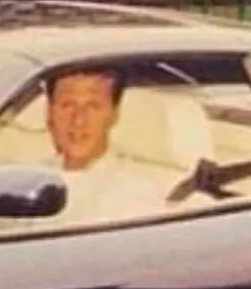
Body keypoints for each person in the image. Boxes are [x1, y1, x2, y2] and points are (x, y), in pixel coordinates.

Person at [38, 67, 165, 228]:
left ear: (113, 114)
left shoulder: (135, 192)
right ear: (49, 112)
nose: (78, 120)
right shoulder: (29, 182)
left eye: (93, 106)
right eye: (67, 105)